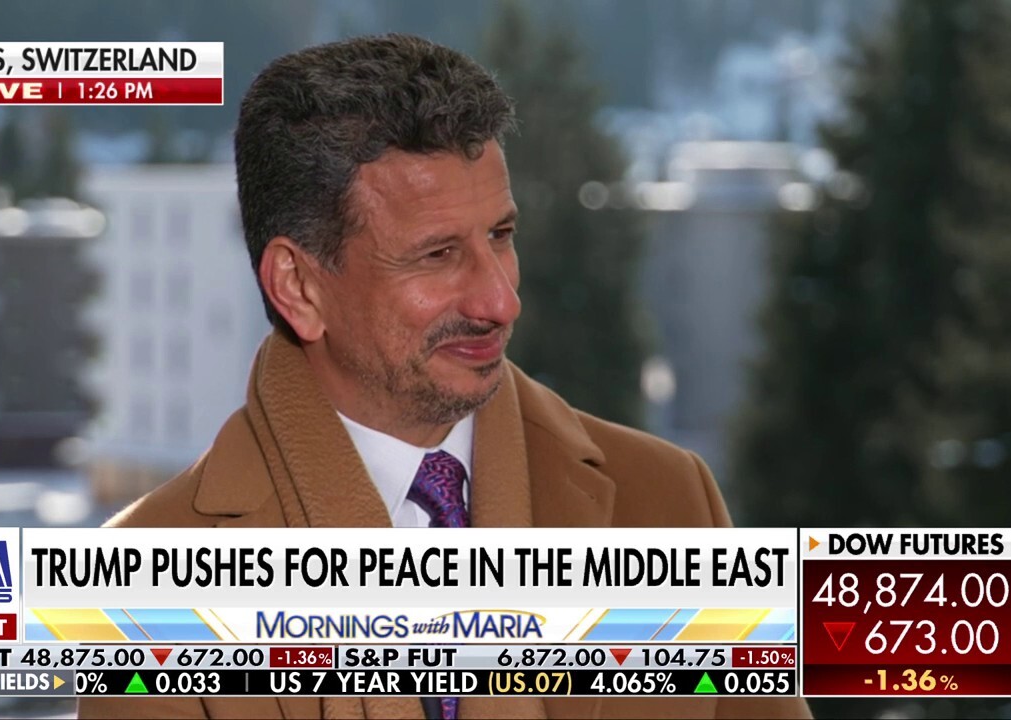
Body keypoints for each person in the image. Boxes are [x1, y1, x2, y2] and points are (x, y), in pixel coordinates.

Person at [80, 34, 811, 720]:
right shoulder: (146, 590)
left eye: (501, 236)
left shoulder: (670, 501)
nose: (501, 300)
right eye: (437, 255)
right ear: (298, 287)